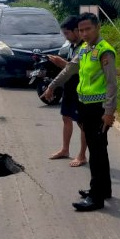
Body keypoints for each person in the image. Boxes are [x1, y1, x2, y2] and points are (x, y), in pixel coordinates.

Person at [42, 12, 117, 211]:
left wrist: (109, 112)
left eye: (88, 29)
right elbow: (69, 70)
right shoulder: (84, 49)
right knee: (98, 149)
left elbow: (111, 84)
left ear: (97, 28)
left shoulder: (104, 51)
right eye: (81, 30)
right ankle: (103, 189)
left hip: (98, 109)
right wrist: (52, 86)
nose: (84, 33)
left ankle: (96, 197)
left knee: (97, 153)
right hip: (85, 105)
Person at [47, 16, 87, 167]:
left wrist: (62, 63)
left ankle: (82, 155)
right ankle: (65, 150)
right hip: (69, 89)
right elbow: (68, 69)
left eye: (67, 33)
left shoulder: (85, 48)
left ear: (76, 31)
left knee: (82, 124)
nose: (66, 37)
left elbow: (77, 70)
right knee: (66, 117)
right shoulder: (72, 46)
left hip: (80, 91)